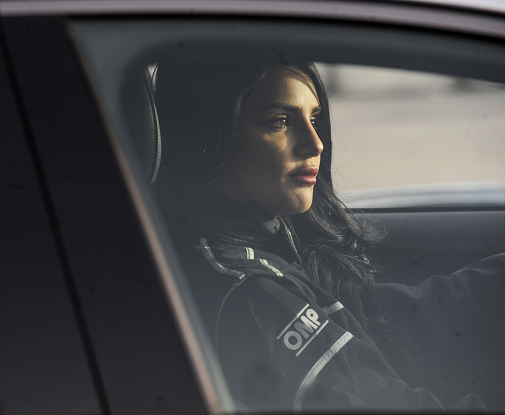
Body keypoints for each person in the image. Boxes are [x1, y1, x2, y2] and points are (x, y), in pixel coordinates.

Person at [152, 58, 505, 412]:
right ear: (212, 133)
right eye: (280, 122)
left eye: (314, 119)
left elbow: (372, 316)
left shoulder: (262, 241)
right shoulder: (254, 293)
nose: (315, 143)